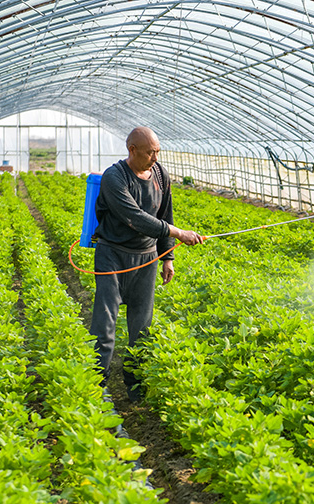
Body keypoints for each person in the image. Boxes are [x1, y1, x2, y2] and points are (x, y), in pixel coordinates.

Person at [89, 126, 203, 402]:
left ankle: (135, 388)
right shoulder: (115, 177)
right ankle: (94, 385)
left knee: (142, 328)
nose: (155, 157)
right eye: (150, 152)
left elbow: (165, 213)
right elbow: (136, 217)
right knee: (104, 324)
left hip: (147, 258)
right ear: (133, 150)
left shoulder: (161, 175)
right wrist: (178, 234)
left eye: (157, 152)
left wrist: (168, 257)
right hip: (112, 255)